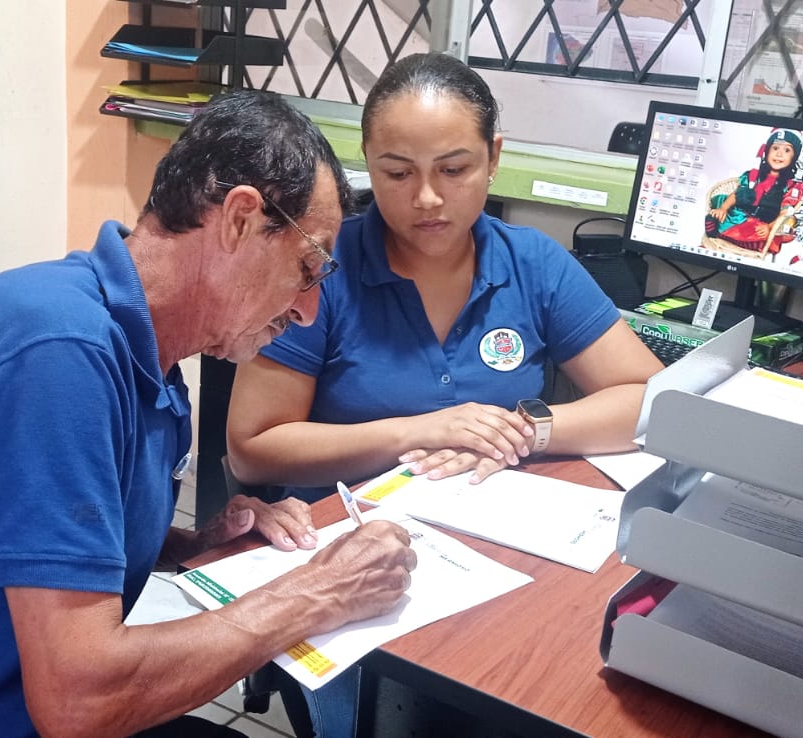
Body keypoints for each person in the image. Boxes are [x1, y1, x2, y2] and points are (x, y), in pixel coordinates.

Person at [0, 91, 418, 738]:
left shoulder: (147, 352)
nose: (307, 310)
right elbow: (79, 703)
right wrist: (317, 593)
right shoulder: (57, 353)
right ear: (240, 220)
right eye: (308, 267)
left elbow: (55, 535)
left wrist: (197, 544)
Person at [224, 53, 663, 738]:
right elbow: (253, 447)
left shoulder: (531, 263)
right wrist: (418, 430)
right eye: (397, 173)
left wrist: (522, 428)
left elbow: (649, 398)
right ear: (368, 166)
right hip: (349, 563)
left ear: (493, 158)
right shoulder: (325, 270)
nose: (427, 198)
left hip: (496, 546)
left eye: (454, 170)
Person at [704, 128, 803, 255]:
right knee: (722, 202)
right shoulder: (754, 176)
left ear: (794, 156)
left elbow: (784, 212)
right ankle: (717, 226)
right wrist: (723, 208)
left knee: (765, 230)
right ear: (767, 151)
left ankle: (740, 239)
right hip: (741, 214)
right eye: (775, 148)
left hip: (764, 221)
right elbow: (737, 195)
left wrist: (769, 227)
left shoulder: (791, 186)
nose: (779, 154)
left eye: (787, 150)